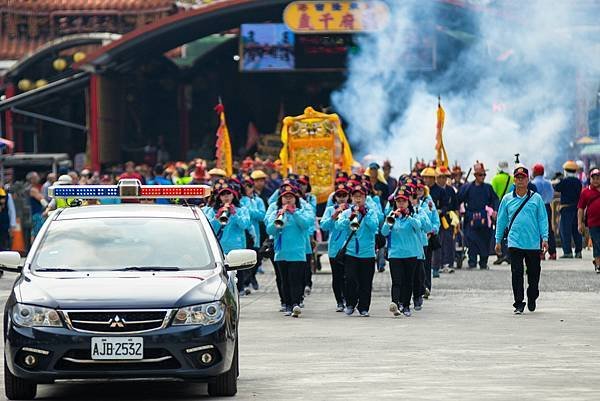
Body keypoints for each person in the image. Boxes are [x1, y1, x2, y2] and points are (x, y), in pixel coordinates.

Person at [495, 165, 548, 314]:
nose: (520, 180)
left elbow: (543, 219)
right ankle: (518, 302)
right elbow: (501, 221)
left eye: (523, 177)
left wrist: (545, 238)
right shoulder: (507, 199)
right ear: (514, 180)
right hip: (514, 242)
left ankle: (532, 296)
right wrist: (498, 241)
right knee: (516, 272)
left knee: (534, 273)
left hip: (532, 243)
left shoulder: (536, 199)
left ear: (528, 179)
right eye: (517, 178)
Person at [266, 184, 314, 318]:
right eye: (285, 197)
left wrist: (295, 213)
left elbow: (306, 224)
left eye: (291, 197)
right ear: (280, 199)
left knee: (296, 279)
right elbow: (270, 230)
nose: (288, 200)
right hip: (281, 252)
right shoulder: (276, 212)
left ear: (295, 199)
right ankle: (287, 304)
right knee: (284, 280)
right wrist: (279, 216)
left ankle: (295, 303)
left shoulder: (301, 211)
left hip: (298, 252)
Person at [336, 184, 379, 317]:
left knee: (366, 281)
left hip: (367, 253)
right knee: (350, 279)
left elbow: (374, 227)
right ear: (351, 198)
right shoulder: (347, 212)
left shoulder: (371, 212)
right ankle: (350, 304)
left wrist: (364, 215)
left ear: (365, 198)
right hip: (351, 252)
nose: (358, 200)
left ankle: (364, 307)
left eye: (360, 197)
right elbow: (338, 226)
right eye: (355, 197)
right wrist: (349, 218)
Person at [381, 187, 423, 317]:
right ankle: (394, 303)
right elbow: (383, 232)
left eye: (403, 201)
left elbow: (418, 226)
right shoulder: (391, 215)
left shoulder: (413, 214)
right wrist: (391, 219)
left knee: (408, 281)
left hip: (410, 253)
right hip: (395, 254)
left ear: (408, 202)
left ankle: (405, 305)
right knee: (397, 281)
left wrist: (407, 216)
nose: (401, 204)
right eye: (398, 201)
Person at [204, 184, 251, 294]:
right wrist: (217, 216)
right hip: (220, 248)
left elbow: (245, 225)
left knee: (237, 278)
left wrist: (234, 214)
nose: (226, 197)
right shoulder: (213, 211)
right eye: (223, 195)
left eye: (228, 194)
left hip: (237, 248)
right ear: (219, 197)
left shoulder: (241, 210)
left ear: (233, 195)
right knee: (222, 277)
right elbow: (209, 229)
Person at [457, 162, 498, 269]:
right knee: (471, 241)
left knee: (485, 240)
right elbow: (459, 199)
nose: (482, 177)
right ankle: (472, 261)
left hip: (485, 218)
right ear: (475, 175)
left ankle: (483, 262)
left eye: (484, 175)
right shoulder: (467, 187)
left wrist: (494, 211)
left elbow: (494, 200)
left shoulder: (488, 188)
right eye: (480, 175)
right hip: (471, 218)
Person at [320, 184, 351, 312]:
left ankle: (349, 299)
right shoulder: (329, 209)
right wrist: (335, 215)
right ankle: (339, 301)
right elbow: (324, 226)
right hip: (335, 248)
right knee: (337, 276)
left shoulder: (353, 209)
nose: (342, 198)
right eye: (339, 195)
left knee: (349, 276)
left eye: (344, 195)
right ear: (335, 197)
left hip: (350, 247)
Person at [430, 166, 458, 275]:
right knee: (438, 241)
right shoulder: (432, 189)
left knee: (448, 241)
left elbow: (454, 204)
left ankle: (448, 263)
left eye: (444, 177)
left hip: (446, 217)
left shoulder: (450, 190)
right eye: (440, 177)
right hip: (434, 218)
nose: (442, 179)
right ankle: (438, 264)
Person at [554, 160, 583, 258]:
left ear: (565, 171)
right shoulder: (578, 182)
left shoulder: (564, 181)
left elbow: (556, 188)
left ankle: (567, 252)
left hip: (566, 209)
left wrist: (559, 179)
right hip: (576, 208)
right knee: (576, 231)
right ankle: (578, 252)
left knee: (565, 231)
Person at [531, 163, 557, 260]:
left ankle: (540, 253)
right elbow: (552, 195)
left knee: (537, 230)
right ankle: (553, 252)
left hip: (537, 207)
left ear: (535, 172)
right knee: (548, 229)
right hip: (547, 206)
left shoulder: (533, 183)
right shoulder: (548, 183)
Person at [577, 168, 600, 273]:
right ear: (590, 179)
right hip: (593, 223)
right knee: (597, 243)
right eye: (593, 178)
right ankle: (598, 264)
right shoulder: (585, 192)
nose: (596, 180)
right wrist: (579, 223)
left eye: (598, 178)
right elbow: (580, 209)